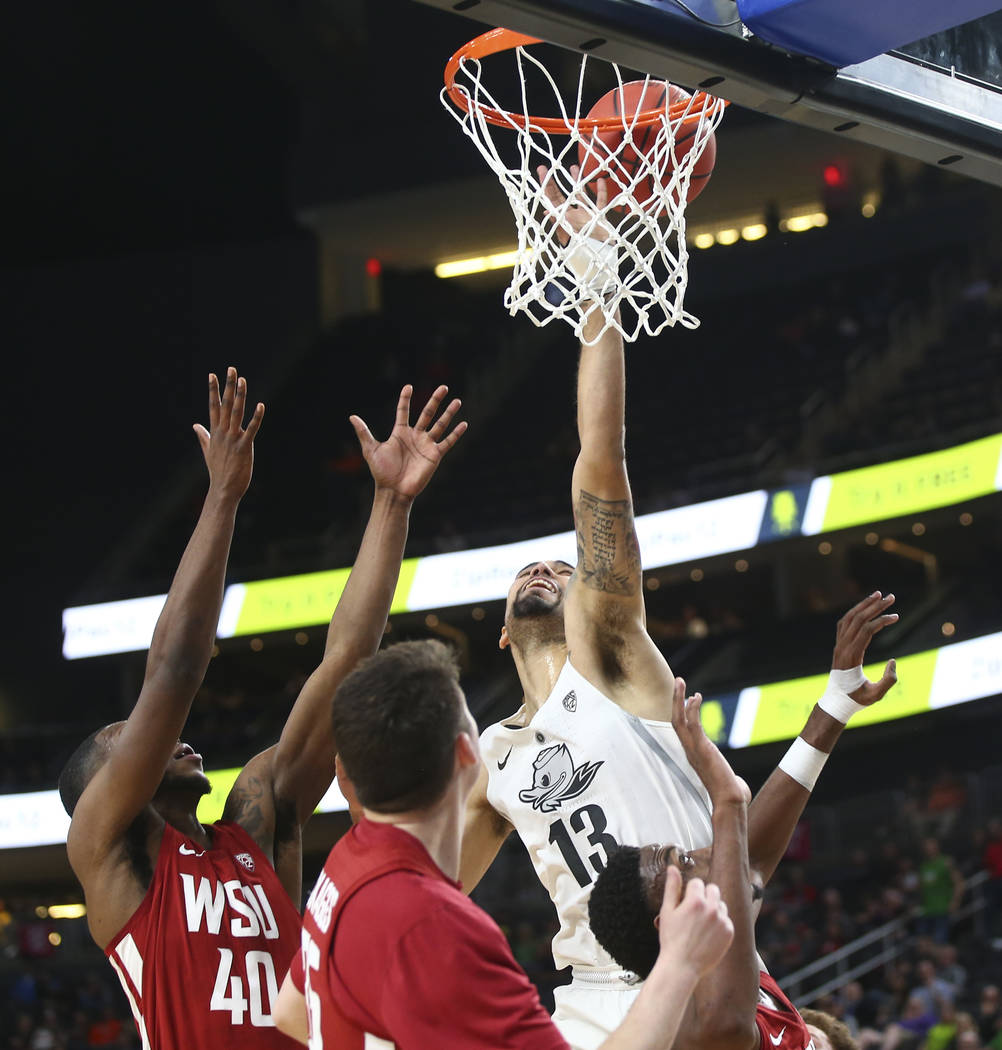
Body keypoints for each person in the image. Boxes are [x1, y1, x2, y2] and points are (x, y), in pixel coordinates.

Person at [58, 370, 465, 1049]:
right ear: (102, 790)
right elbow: (174, 672)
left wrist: (392, 503)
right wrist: (222, 496)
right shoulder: (110, 855)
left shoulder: (258, 818)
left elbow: (346, 665)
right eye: (125, 739)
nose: (162, 737)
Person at [273, 640, 737, 1050]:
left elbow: (291, 1012)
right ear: (466, 754)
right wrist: (678, 963)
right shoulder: (439, 926)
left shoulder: (346, 863)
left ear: (348, 775)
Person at [586, 594, 899, 1050]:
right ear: (667, 922)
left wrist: (835, 705)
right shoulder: (692, 1023)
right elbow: (729, 1022)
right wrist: (726, 801)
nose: (702, 853)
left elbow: (749, 863)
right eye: (684, 861)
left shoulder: (730, 967)